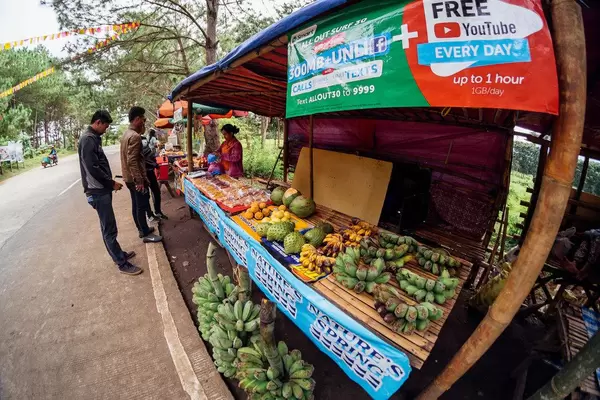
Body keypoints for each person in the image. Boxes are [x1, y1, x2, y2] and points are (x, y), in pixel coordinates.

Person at [78, 110, 142, 275]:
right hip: (97, 191)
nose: (106, 129)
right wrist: (110, 183)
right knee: (109, 228)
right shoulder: (88, 139)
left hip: (101, 189)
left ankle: (119, 254)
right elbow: (92, 168)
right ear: (98, 122)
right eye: (105, 126)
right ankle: (121, 263)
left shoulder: (93, 138)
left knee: (108, 226)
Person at [120, 106, 162, 243]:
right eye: (143, 119)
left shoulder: (126, 134)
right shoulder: (135, 136)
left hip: (129, 178)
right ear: (137, 119)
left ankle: (141, 229)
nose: (144, 122)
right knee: (141, 205)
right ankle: (145, 233)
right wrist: (140, 181)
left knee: (136, 204)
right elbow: (132, 161)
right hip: (135, 179)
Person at [141, 132, 167, 221]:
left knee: (155, 192)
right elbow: (146, 160)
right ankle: (150, 214)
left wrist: (155, 165)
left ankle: (157, 212)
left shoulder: (146, 144)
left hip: (150, 172)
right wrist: (155, 165)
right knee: (147, 195)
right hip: (143, 174)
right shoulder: (138, 145)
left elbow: (151, 157)